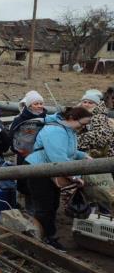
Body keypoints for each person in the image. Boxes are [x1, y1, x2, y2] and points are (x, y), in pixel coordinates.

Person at [25, 107, 92, 250]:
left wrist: (82, 155)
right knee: (45, 206)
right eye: (83, 124)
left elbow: (68, 151)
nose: (84, 127)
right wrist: (75, 177)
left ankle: (45, 233)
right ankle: (48, 238)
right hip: (38, 170)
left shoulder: (69, 130)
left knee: (53, 203)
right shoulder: (55, 131)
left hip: (49, 169)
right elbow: (58, 158)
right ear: (72, 118)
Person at [10, 90, 47, 213]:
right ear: (29, 105)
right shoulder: (20, 119)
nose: (40, 106)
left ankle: (40, 205)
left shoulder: (47, 119)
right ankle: (29, 207)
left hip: (42, 155)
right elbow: (12, 136)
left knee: (42, 181)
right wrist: (17, 149)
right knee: (27, 181)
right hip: (25, 155)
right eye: (36, 104)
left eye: (41, 103)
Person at [77, 89, 114, 157]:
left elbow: (101, 136)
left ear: (97, 105)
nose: (86, 105)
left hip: (104, 157)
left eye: (90, 103)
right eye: (85, 102)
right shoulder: (80, 115)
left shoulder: (98, 117)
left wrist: (75, 141)